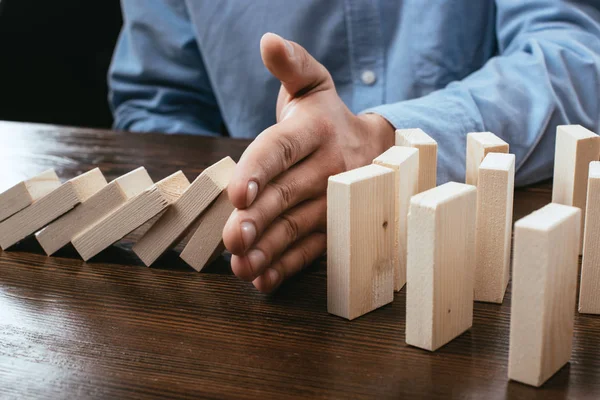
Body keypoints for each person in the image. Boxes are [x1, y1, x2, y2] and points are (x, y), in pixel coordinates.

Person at [109, 1, 600, 293]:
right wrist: (225, 211)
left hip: (468, 257)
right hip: (265, 267)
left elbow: (577, 61)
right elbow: (158, 100)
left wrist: (386, 139)